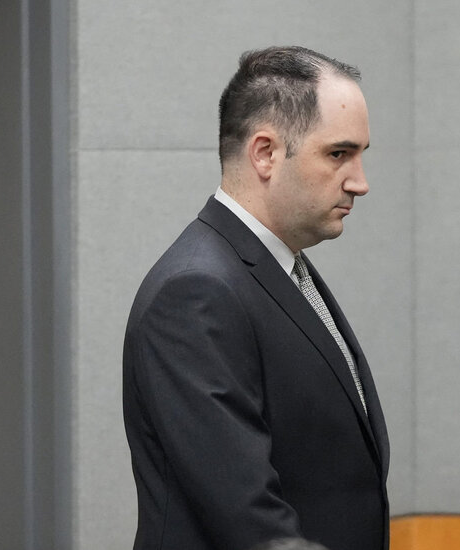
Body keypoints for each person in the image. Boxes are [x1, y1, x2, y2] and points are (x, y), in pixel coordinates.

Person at [122, 46, 389, 550]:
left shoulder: (281, 268)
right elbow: (249, 522)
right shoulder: (195, 293)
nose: (360, 182)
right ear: (264, 153)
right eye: (338, 154)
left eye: (361, 155)